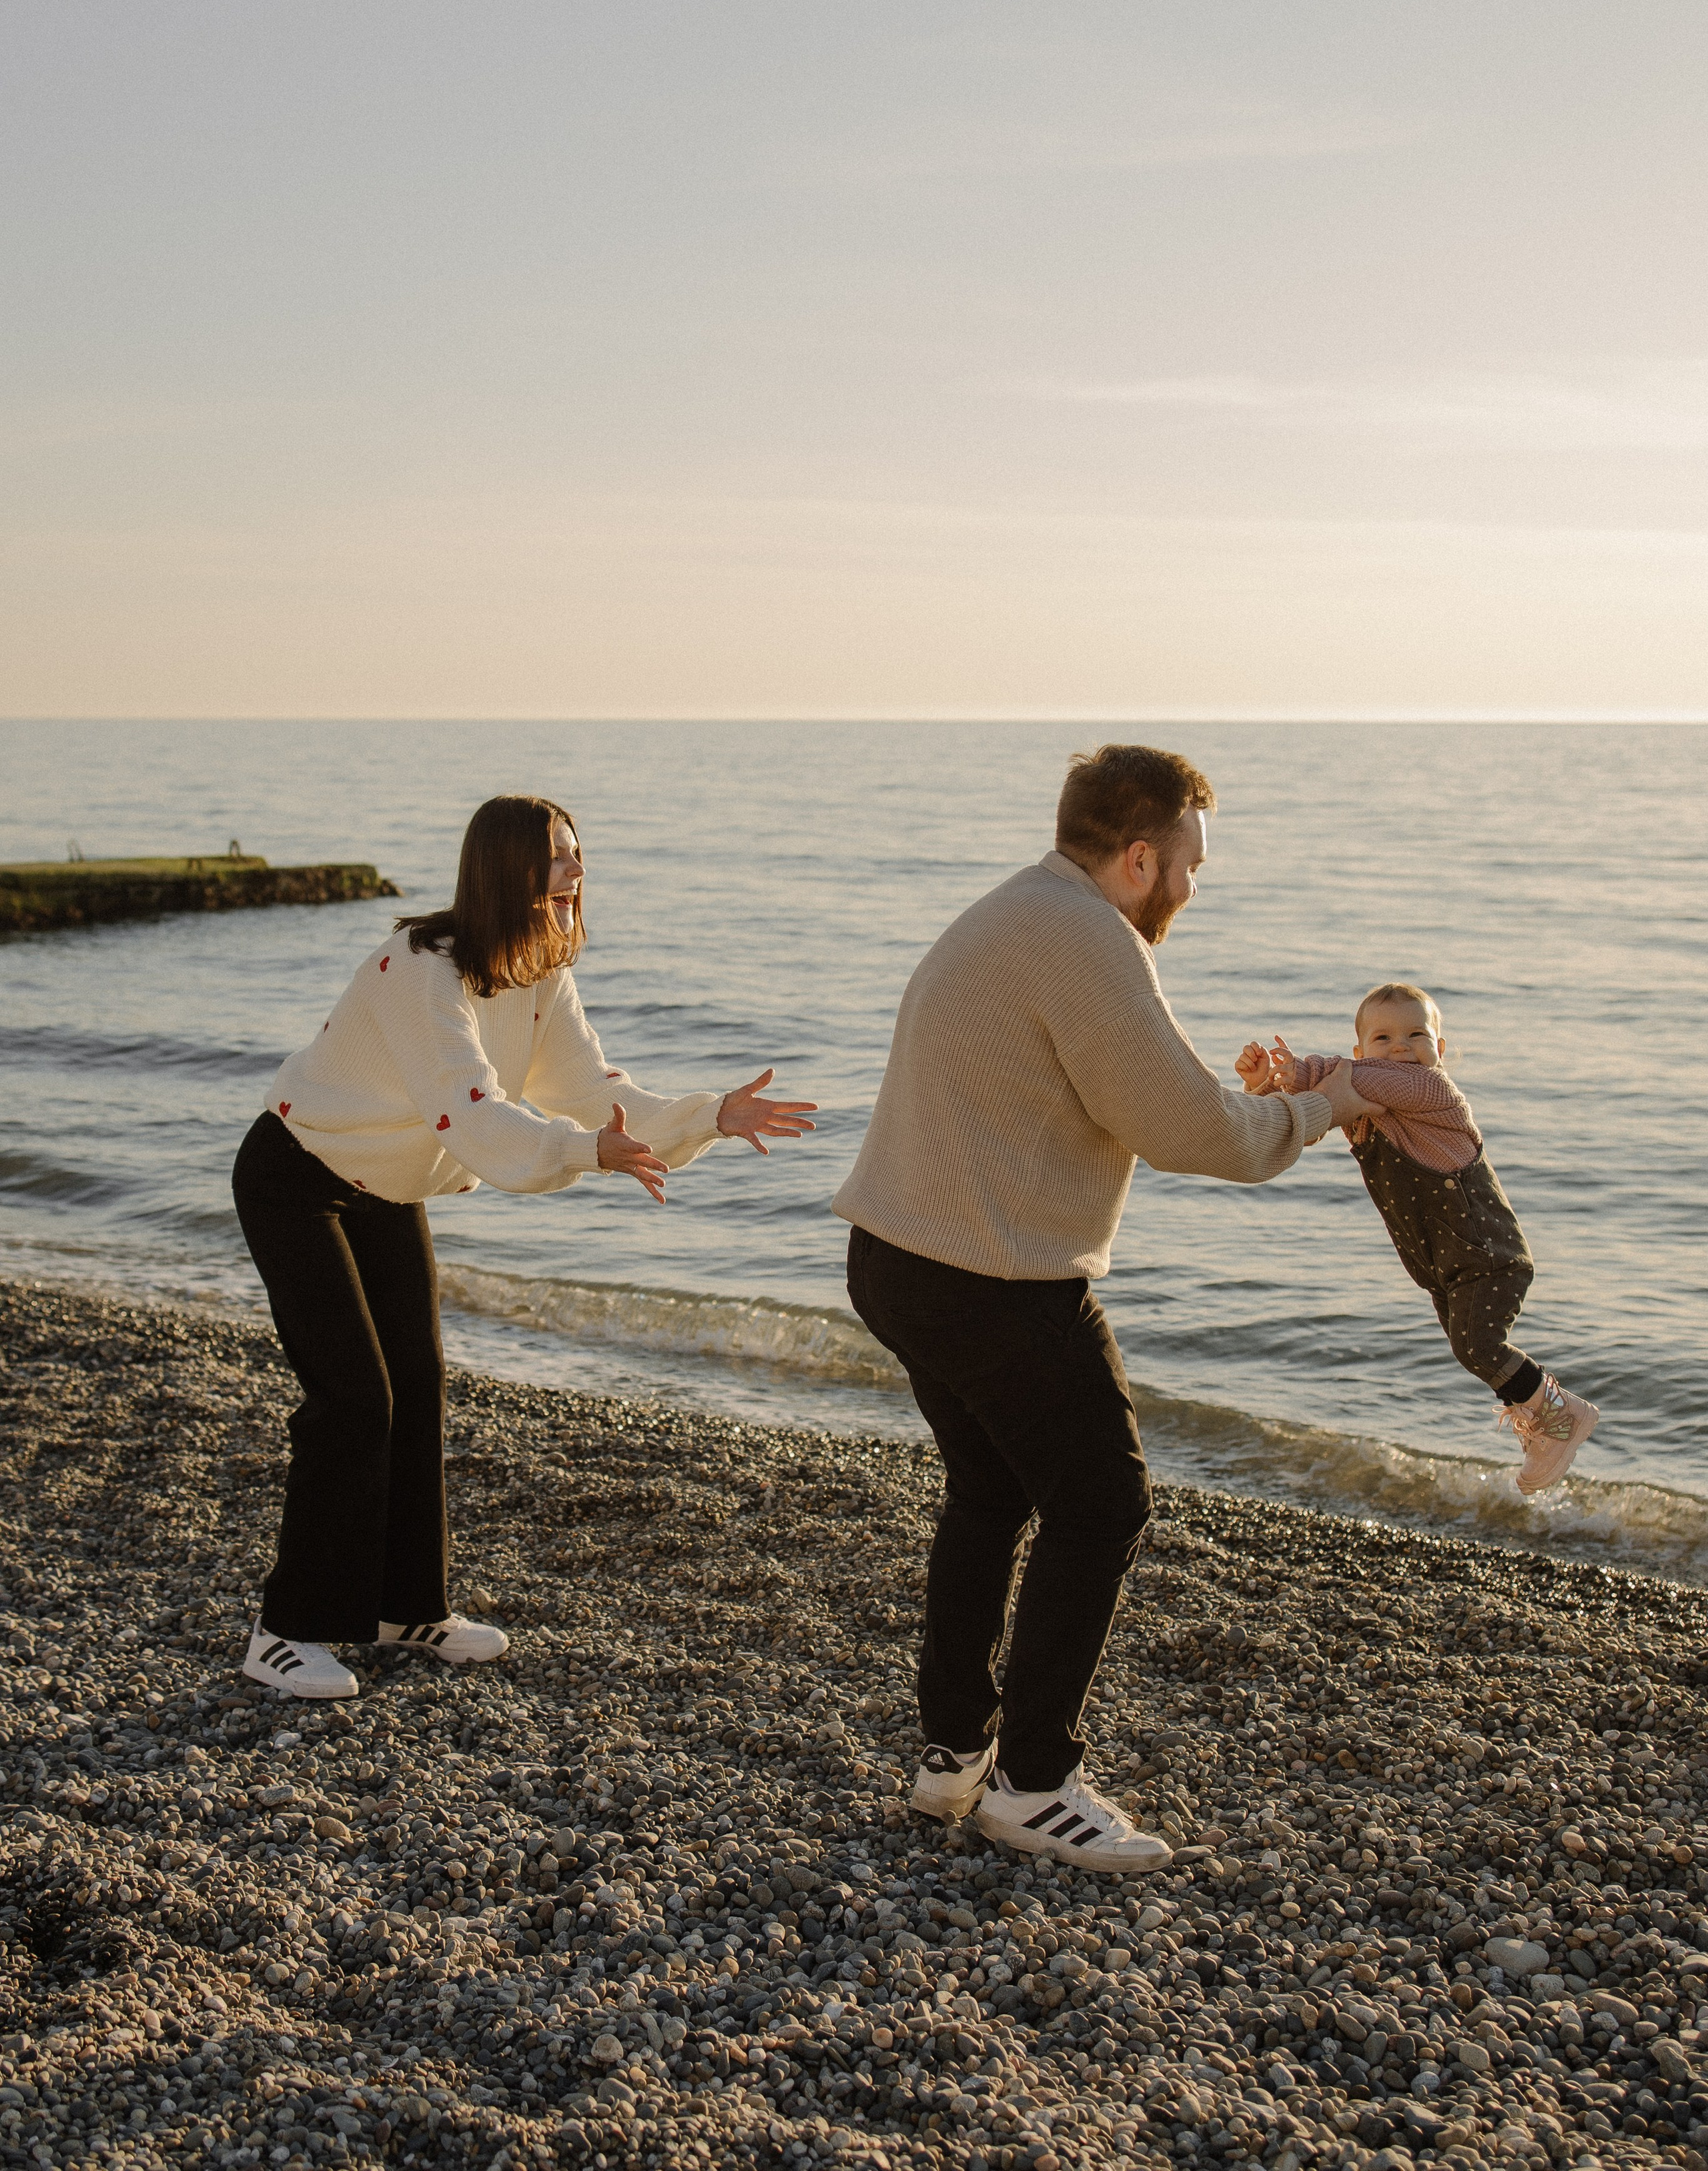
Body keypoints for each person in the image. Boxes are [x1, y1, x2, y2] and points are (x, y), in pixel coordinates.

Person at [832, 743, 1370, 1874]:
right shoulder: (1087, 940)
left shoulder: (1019, 909)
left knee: (989, 1492)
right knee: (1103, 1505)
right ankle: (1033, 1784)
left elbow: (1124, 1092)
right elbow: (1196, 1135)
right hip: (991, 1279)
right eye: (1189, 864)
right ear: (1139, 857)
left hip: (896, 1255)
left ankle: (951, 1758)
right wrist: (1332, 1103)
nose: (1192, 885)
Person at [231, 793, 816, 1703]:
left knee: (417, 1386)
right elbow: (472, 1113)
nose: (576, 871)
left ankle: (405, 1608)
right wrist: (585, 1153)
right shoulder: (421, 971)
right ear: (505, 868)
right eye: (556, 856)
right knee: (354, 1401)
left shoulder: (539, 973)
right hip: (296, 1177)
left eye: (578, 853)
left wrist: (710, 1113)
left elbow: (597, 1087)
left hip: (388, 1189)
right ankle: (286, 1629)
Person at [1236, 983, 1598, 1494]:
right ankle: (1544, 1421)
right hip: (1441, 1261)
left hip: (1486, 1253)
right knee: (1470, 1348)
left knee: (1479, 1346)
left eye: (1416, 1035)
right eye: (1383, 1038)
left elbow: (1360, 1079)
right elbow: (1311, 1121)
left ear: (1440, 1050)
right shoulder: (1362, 1103)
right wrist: (1268, 1086)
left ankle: (1562, 1416)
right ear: (1362, 1049)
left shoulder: (1434, 1091)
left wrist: (1304, 1069)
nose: (1401, 1047)